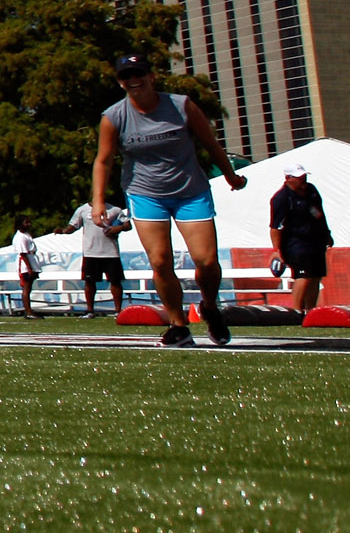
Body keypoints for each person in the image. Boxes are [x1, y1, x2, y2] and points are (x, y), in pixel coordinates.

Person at [91, 53, 247, 346]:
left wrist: (230, 175)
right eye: (126, 76)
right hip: (145, 193)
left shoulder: (181, 105)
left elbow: (210, 143)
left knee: (207, 261)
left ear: (151, 77)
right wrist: (98, 200)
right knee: (160, 261)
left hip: (191, 191)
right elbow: (104, 161)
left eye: (139, 74)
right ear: (120, 82)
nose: (133, 80)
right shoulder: (114, 117)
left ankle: (210, 306)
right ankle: (178, 324)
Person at [268, 167, 332, 314]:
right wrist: (276, 251)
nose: (303, 180)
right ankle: (296, 311)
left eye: (304, 176)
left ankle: (311, 311)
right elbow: (275, 227)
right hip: (295, 243)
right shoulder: (282, 198)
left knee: (316, 275)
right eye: (299, 177)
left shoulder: (311, 191)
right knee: (303, 275)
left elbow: (320, 213)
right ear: (288, 178)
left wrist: (327, 234)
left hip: (316, 240)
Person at [70, 201, 128, 318]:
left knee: (115, 281)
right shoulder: (82, 209)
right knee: (89, 282)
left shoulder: (115, 209)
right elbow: (73, 225)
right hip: (91, 252)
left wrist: (118, 228)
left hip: (111, 252)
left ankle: (118, 311)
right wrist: (64, 231)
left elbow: (128, 225)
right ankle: (90, 310)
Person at [10, 219, 41, 317]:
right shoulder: (20, 237)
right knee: (26, 288)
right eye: (26, 223)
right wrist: (30, 268)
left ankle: (29, 310)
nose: (29, 224)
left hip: (31, 260)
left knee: (29, 287)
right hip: (25, 264)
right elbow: (23, 253)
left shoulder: (27, 234)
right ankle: (28, 311)